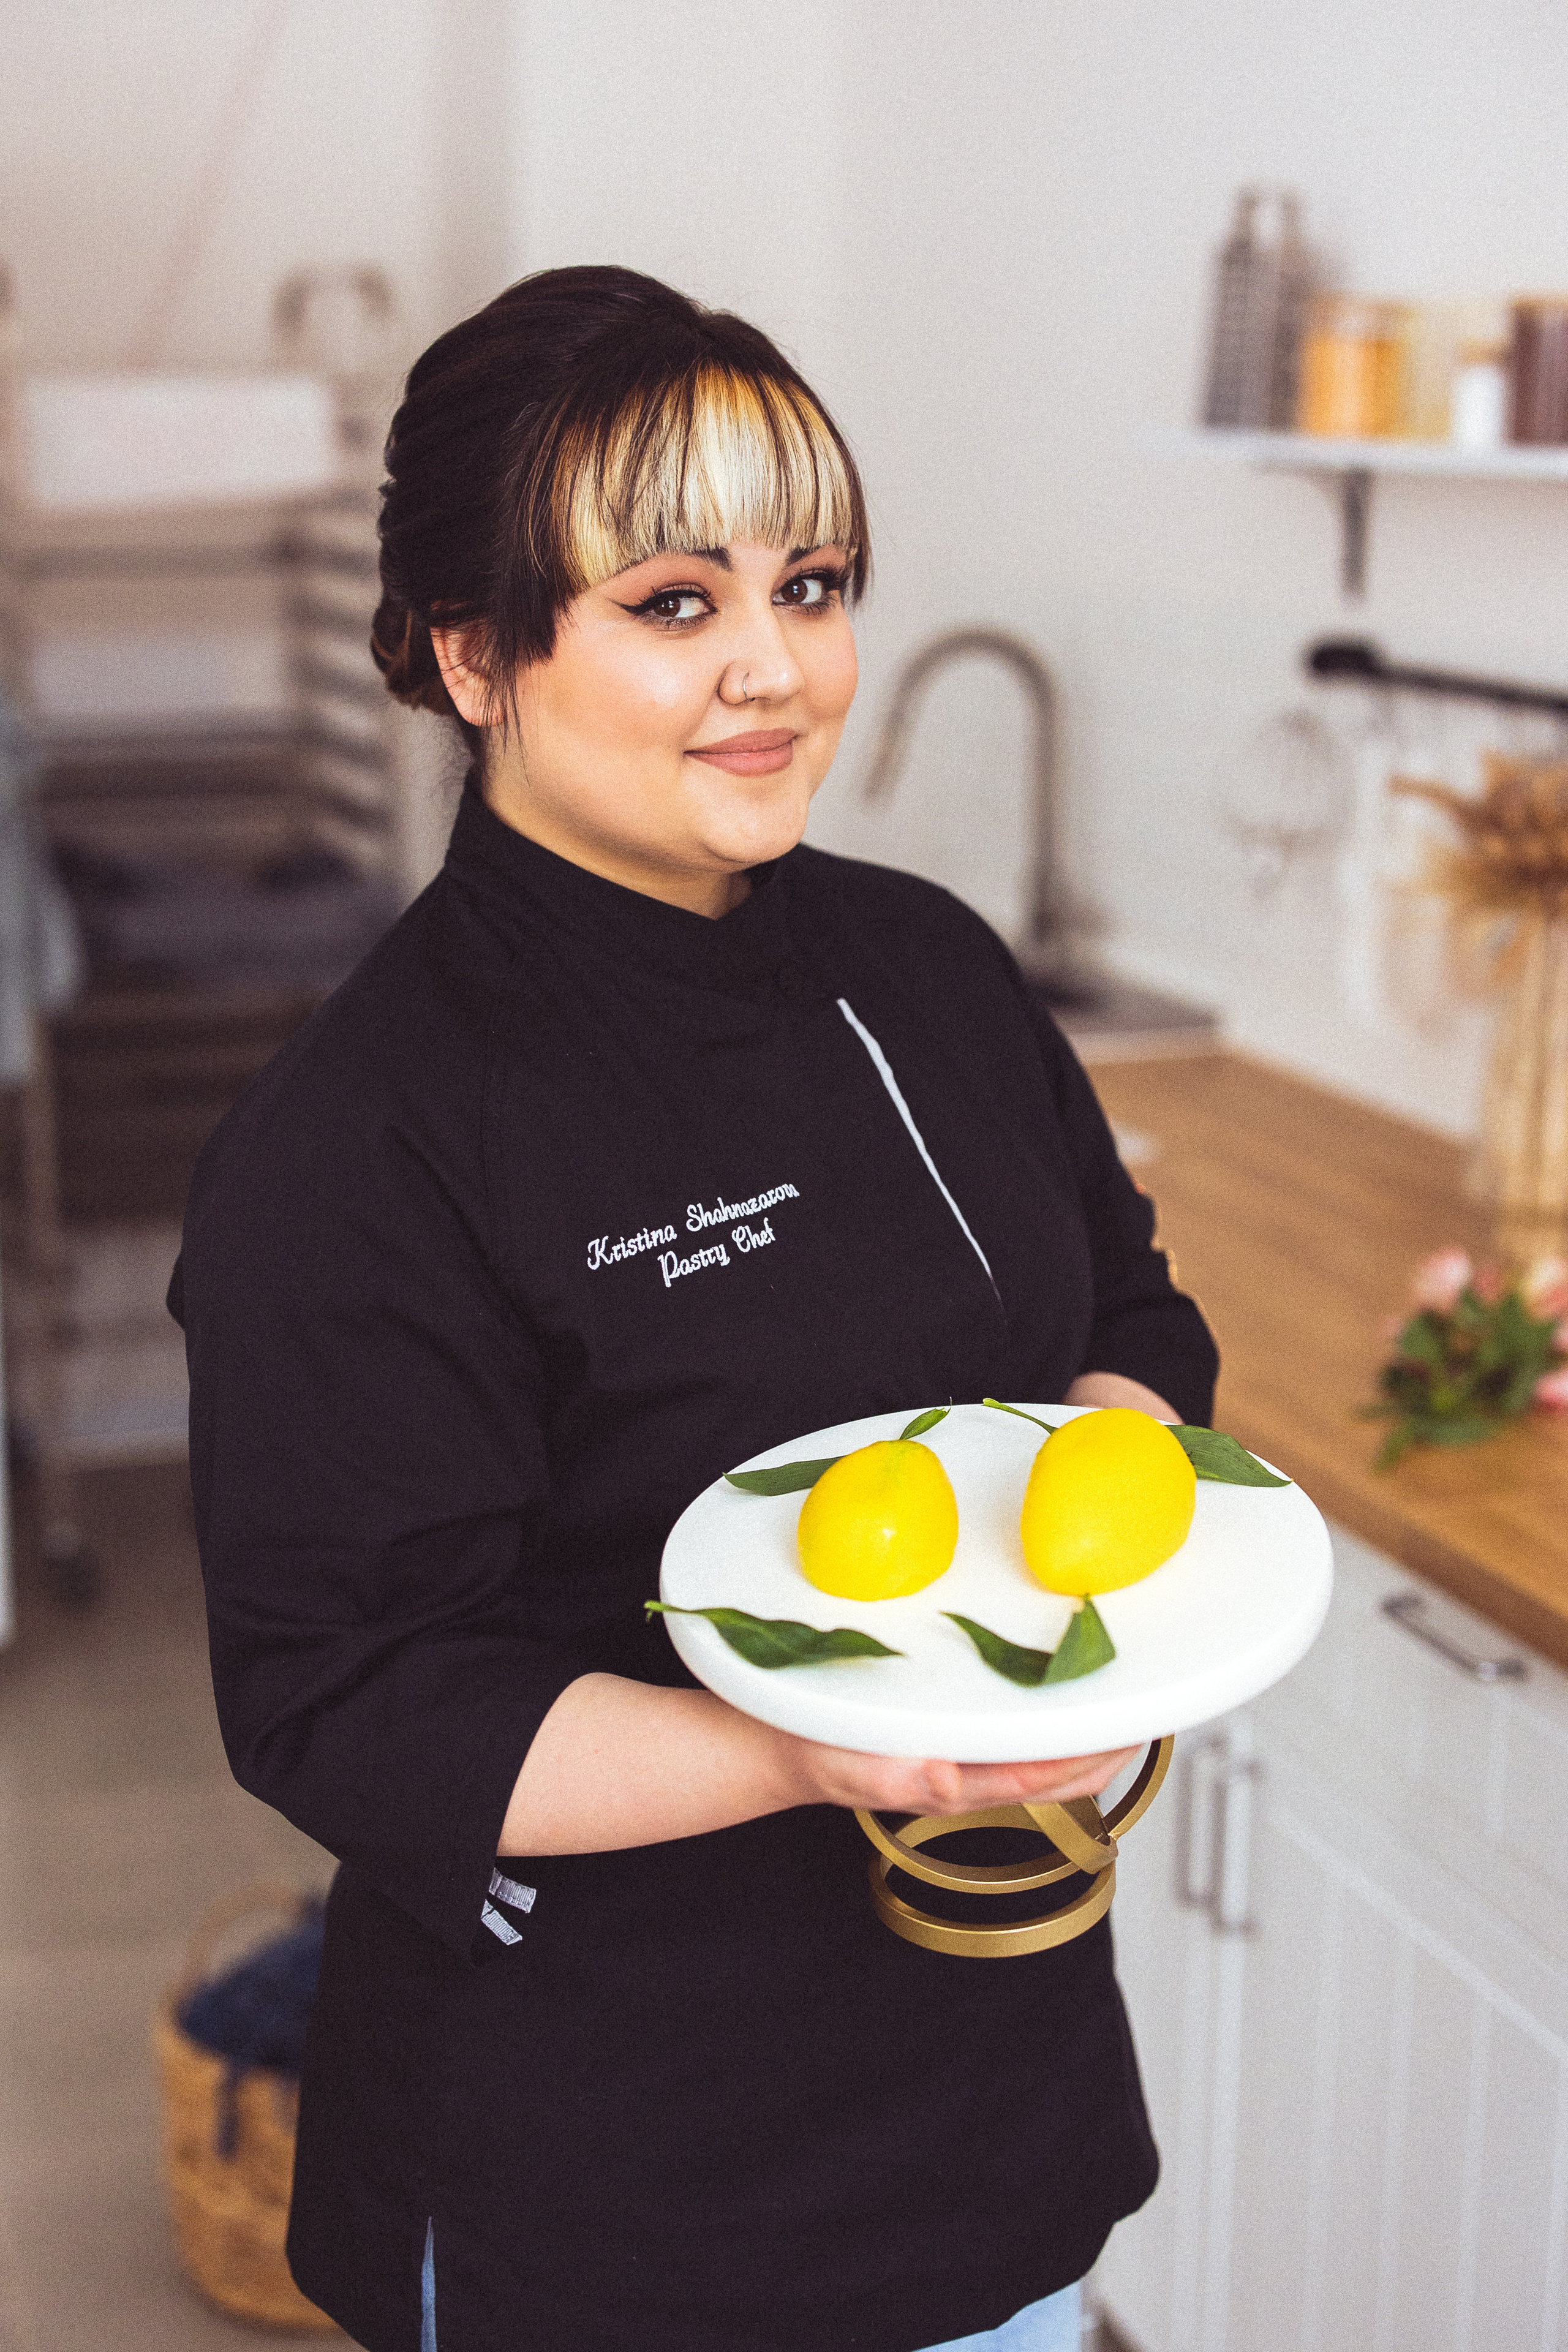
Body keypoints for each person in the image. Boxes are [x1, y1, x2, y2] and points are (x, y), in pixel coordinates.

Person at [172, 265, 1219, 2352]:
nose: (777, 670)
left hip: (995, 2103)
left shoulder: (919, 966)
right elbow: (348, 1697)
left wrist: (1093, 1537)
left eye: (811, 583)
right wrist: (819, 1753)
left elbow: (1128, 1305)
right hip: (616, 2185)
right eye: (673, 603)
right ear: (476, 655)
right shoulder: (366, 1135)